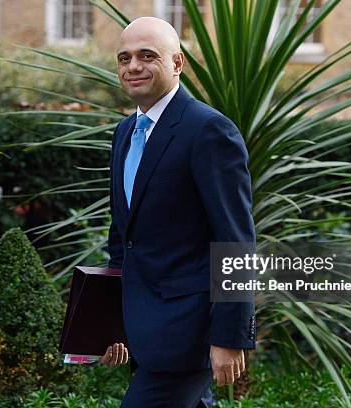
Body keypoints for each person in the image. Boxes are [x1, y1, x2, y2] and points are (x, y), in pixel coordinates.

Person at [99, 16, 256, 408]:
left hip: (188, 333)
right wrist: (111, 324)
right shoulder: (123, 133)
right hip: (143, 330)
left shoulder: (208, 131)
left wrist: (229, 337)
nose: (133, 66)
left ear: (177, 63)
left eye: (147, 55)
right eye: (124, 58)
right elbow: (123, 240)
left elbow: (234, 241)